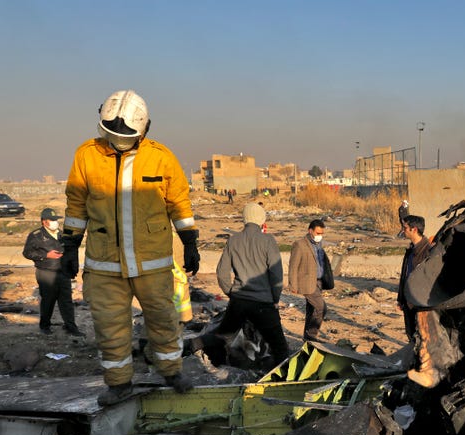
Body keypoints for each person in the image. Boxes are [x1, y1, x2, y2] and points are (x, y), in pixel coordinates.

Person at [61, 90, 200, 406]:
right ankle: (119, 384)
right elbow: (76, 204)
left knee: (164, 320)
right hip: (103, 264)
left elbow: (179, 202)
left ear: (145, 129)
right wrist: (70, 246)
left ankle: (171, 371)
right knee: (110, 329)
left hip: (152, 263)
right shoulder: (86, 155)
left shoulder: (161, 157)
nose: (118, 140)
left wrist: (190, 240)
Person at [200, 203, 289, 365]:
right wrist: (274, 298)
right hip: (263, 303)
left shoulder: (233, 241)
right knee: (280, 347)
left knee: (222, 337)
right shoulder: (268, 241)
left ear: (244, 219)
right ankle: (282, 380)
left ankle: (215, 367)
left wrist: (232, 294)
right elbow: (276, 275)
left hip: (239, 302)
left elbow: (221, 273)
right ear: (262, 220)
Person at [22, 208, 82, 336]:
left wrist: (73, 269)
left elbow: (71, 252)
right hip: (46, 273)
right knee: (48, 300)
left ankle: (71, 327)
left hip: (63, 272)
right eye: (53, 220)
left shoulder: (62, 234)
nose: (56, 222)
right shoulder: (36, 235)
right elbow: (27, 253)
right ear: (44, 222)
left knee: (66, 301)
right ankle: (45, 326)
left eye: (57, 220)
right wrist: (45, 255)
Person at [289, 219, 329, 341]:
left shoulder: (319, 245)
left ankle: (307, 337)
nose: (319, 236)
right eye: (317, 233)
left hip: (318, 282)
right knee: (321, 307)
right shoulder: (299, 244)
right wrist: (293, 285)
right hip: (306, 282)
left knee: (311, 310)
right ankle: (312, 335)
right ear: (310, 231)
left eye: (322, 233)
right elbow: (293, 266)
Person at [397, 215, 433, 338]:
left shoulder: (429, 252)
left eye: (405, 227)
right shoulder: (411, 250)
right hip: (408, 303)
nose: (403, 230)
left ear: (414, 229)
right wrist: (401, 299)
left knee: (422, 339)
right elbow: (404, 275)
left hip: (421, 305)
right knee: (411, 335)